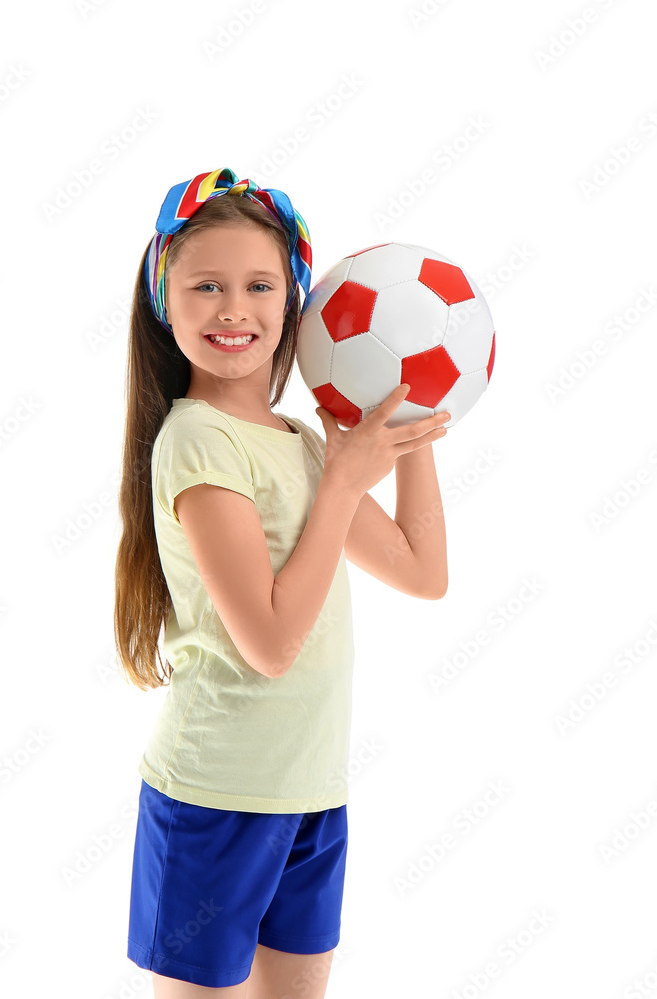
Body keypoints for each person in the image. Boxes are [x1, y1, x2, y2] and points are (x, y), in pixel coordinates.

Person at [115, 167, 450, 997]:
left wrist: (411, 429)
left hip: (311, 791)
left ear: (294, 303)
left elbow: (422, 571)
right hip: (215, 799)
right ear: (167, 301)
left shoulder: (303, 443)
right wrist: (344, 480)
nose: (235, 310)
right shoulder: (197, 440)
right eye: (207, 287)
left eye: (261, 285)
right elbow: (269, 643)